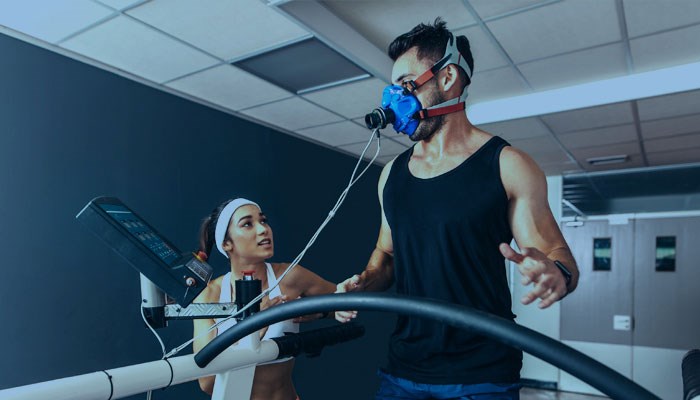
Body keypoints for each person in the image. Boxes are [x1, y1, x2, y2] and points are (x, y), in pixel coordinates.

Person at [336, 18, 580, 400]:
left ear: (447, 77)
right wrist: (362, 283)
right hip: (404, 369)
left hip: (481, 374)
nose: (392, 101)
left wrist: (557, 273)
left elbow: (558, 255)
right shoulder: (391, 176)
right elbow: (386, 255)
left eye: (405, 85)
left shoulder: (506, 165)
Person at [193, 197, 336, 400]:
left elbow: (344, 303)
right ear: (226, 243)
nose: (263, 229)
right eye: (248, 224)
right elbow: (207, 382)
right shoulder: (209, 296)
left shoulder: (289, 277)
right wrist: (255, 326)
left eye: (263, 221)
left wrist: (321, 311)